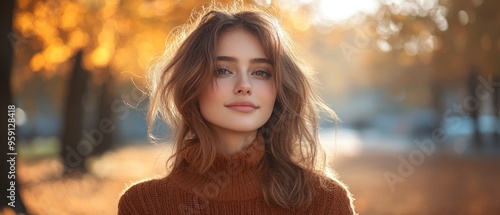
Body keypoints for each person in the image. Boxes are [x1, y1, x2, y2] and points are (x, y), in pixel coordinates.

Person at [118, 3, 355, 215]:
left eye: (261, 72)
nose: (244, 86)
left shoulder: (325, 203)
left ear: (279, 89)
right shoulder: (144, 205)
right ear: (193, 83)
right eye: (223, 70)